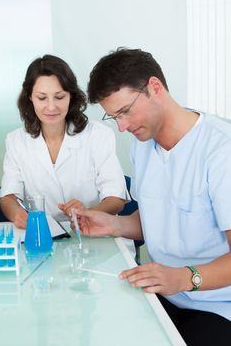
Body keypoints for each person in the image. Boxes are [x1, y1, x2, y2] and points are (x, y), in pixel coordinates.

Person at [81, 48, 231, 344]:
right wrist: (114, 224)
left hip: (216, 306)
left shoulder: (220, 151)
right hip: (164, 295)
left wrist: (184, 278)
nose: (122, 127)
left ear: (155, 88)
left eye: (125, 111)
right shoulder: (143, 144)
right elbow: (156, 217)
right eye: (114, 117)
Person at [0, 54, 128, 229]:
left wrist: (89, 213)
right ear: (30, 98)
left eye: (59, 97)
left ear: (71, 96)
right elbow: (8, 196)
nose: (51, 107)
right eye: (42, 98)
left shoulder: (98, 135)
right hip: (42, 234)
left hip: (94, 235)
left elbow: (115, 197)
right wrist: (17, 214)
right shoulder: (16, 141)